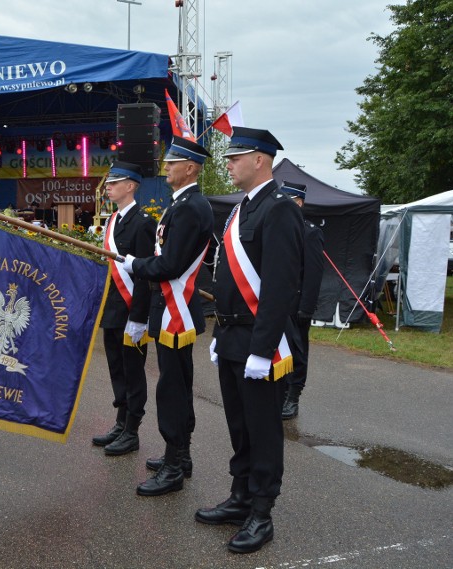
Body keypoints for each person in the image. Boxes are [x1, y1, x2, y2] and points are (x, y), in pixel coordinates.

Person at [196, 127, 303, 554]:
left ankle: (262, 511)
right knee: (239, 424)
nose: (228, 163)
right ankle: (240, 496)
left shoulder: (279, 210)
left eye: (235, 157)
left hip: (260, 341)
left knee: (262, 429)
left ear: (260, 159)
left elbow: (280, 286)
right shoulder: (243, 209)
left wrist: (262, 349)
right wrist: (221, 334)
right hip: (232, 335)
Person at [122, 138, 214, 495]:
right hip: (173, 310)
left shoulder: (190, 207)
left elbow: (171, 264)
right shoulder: (184, 204)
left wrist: (135, 264)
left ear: (190, 167)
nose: (166, 167)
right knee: (176, 386)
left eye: (173, 162)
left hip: (176, 311)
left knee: (171, 390)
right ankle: (180, 455)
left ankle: (175, 465)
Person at [92, 162, 155, 457]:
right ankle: (120, 421)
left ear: (131, 186)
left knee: (133, 371)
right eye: (108, 183)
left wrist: (139, 318)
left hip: (131, 310)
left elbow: (144, 273)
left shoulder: (143, 222)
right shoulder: (112, 220)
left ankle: (132, 430)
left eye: (115, 182)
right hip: (113, 307)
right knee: (116, 367)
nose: (108, 186)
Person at [279, 181, 324, 419]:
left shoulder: (310, 232)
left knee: (297, 350)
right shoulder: (278, 229)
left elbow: (314, 274)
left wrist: (306, 308)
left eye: (286, 199)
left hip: (297, 305)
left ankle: (293, 396)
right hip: (279, 304)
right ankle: (281, 391)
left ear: (298, 202)